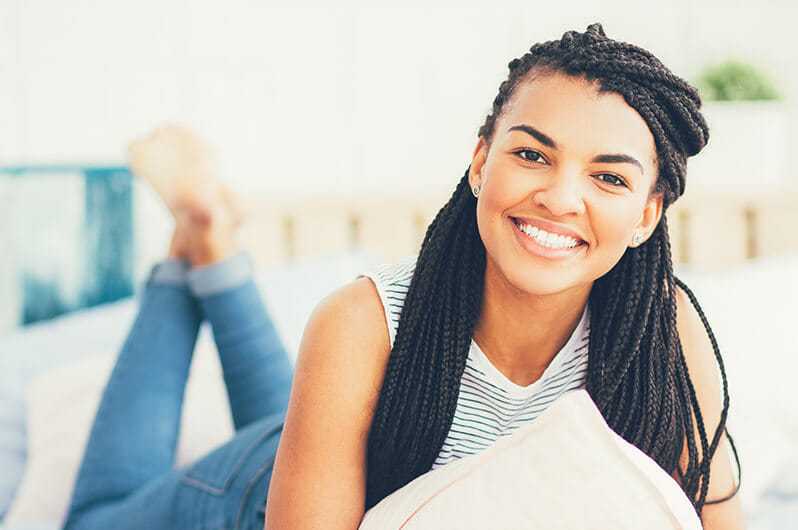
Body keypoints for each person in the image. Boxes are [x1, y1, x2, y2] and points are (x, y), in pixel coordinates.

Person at [63, 22, 742, 530]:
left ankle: (210, 242)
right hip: (248, 495)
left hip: (331, 448)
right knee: (93, 520)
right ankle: (199, 232)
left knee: (290, 416)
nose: (562, 199)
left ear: (649, 215)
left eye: (609, 176)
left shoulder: (667, 334)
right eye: (533, 154)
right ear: (481, 164)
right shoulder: (359, 324)